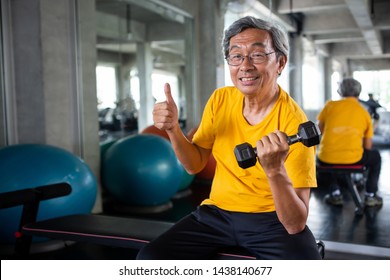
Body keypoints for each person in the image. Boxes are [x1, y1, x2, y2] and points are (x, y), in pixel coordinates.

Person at [137, 16, 321, 260]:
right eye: (236, 56)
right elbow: (194, 165)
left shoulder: (294, 124)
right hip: (216, 214)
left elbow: (295, 223)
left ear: (280, 63)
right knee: (150, 259)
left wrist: (275, 171)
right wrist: (173, 129)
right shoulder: (221, 99)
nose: (245, 65)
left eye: (257, 55)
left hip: (272, 220)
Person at [317, 78, 382, 207]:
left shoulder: (329, 105)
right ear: (359, 93)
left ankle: (335, 194)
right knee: (375, 157)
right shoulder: (364, 113)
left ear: (340, 92)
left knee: (327, 160)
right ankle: (370, 195)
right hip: (353, 159)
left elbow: (320, 130)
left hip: (325, 158)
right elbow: (367, 146)